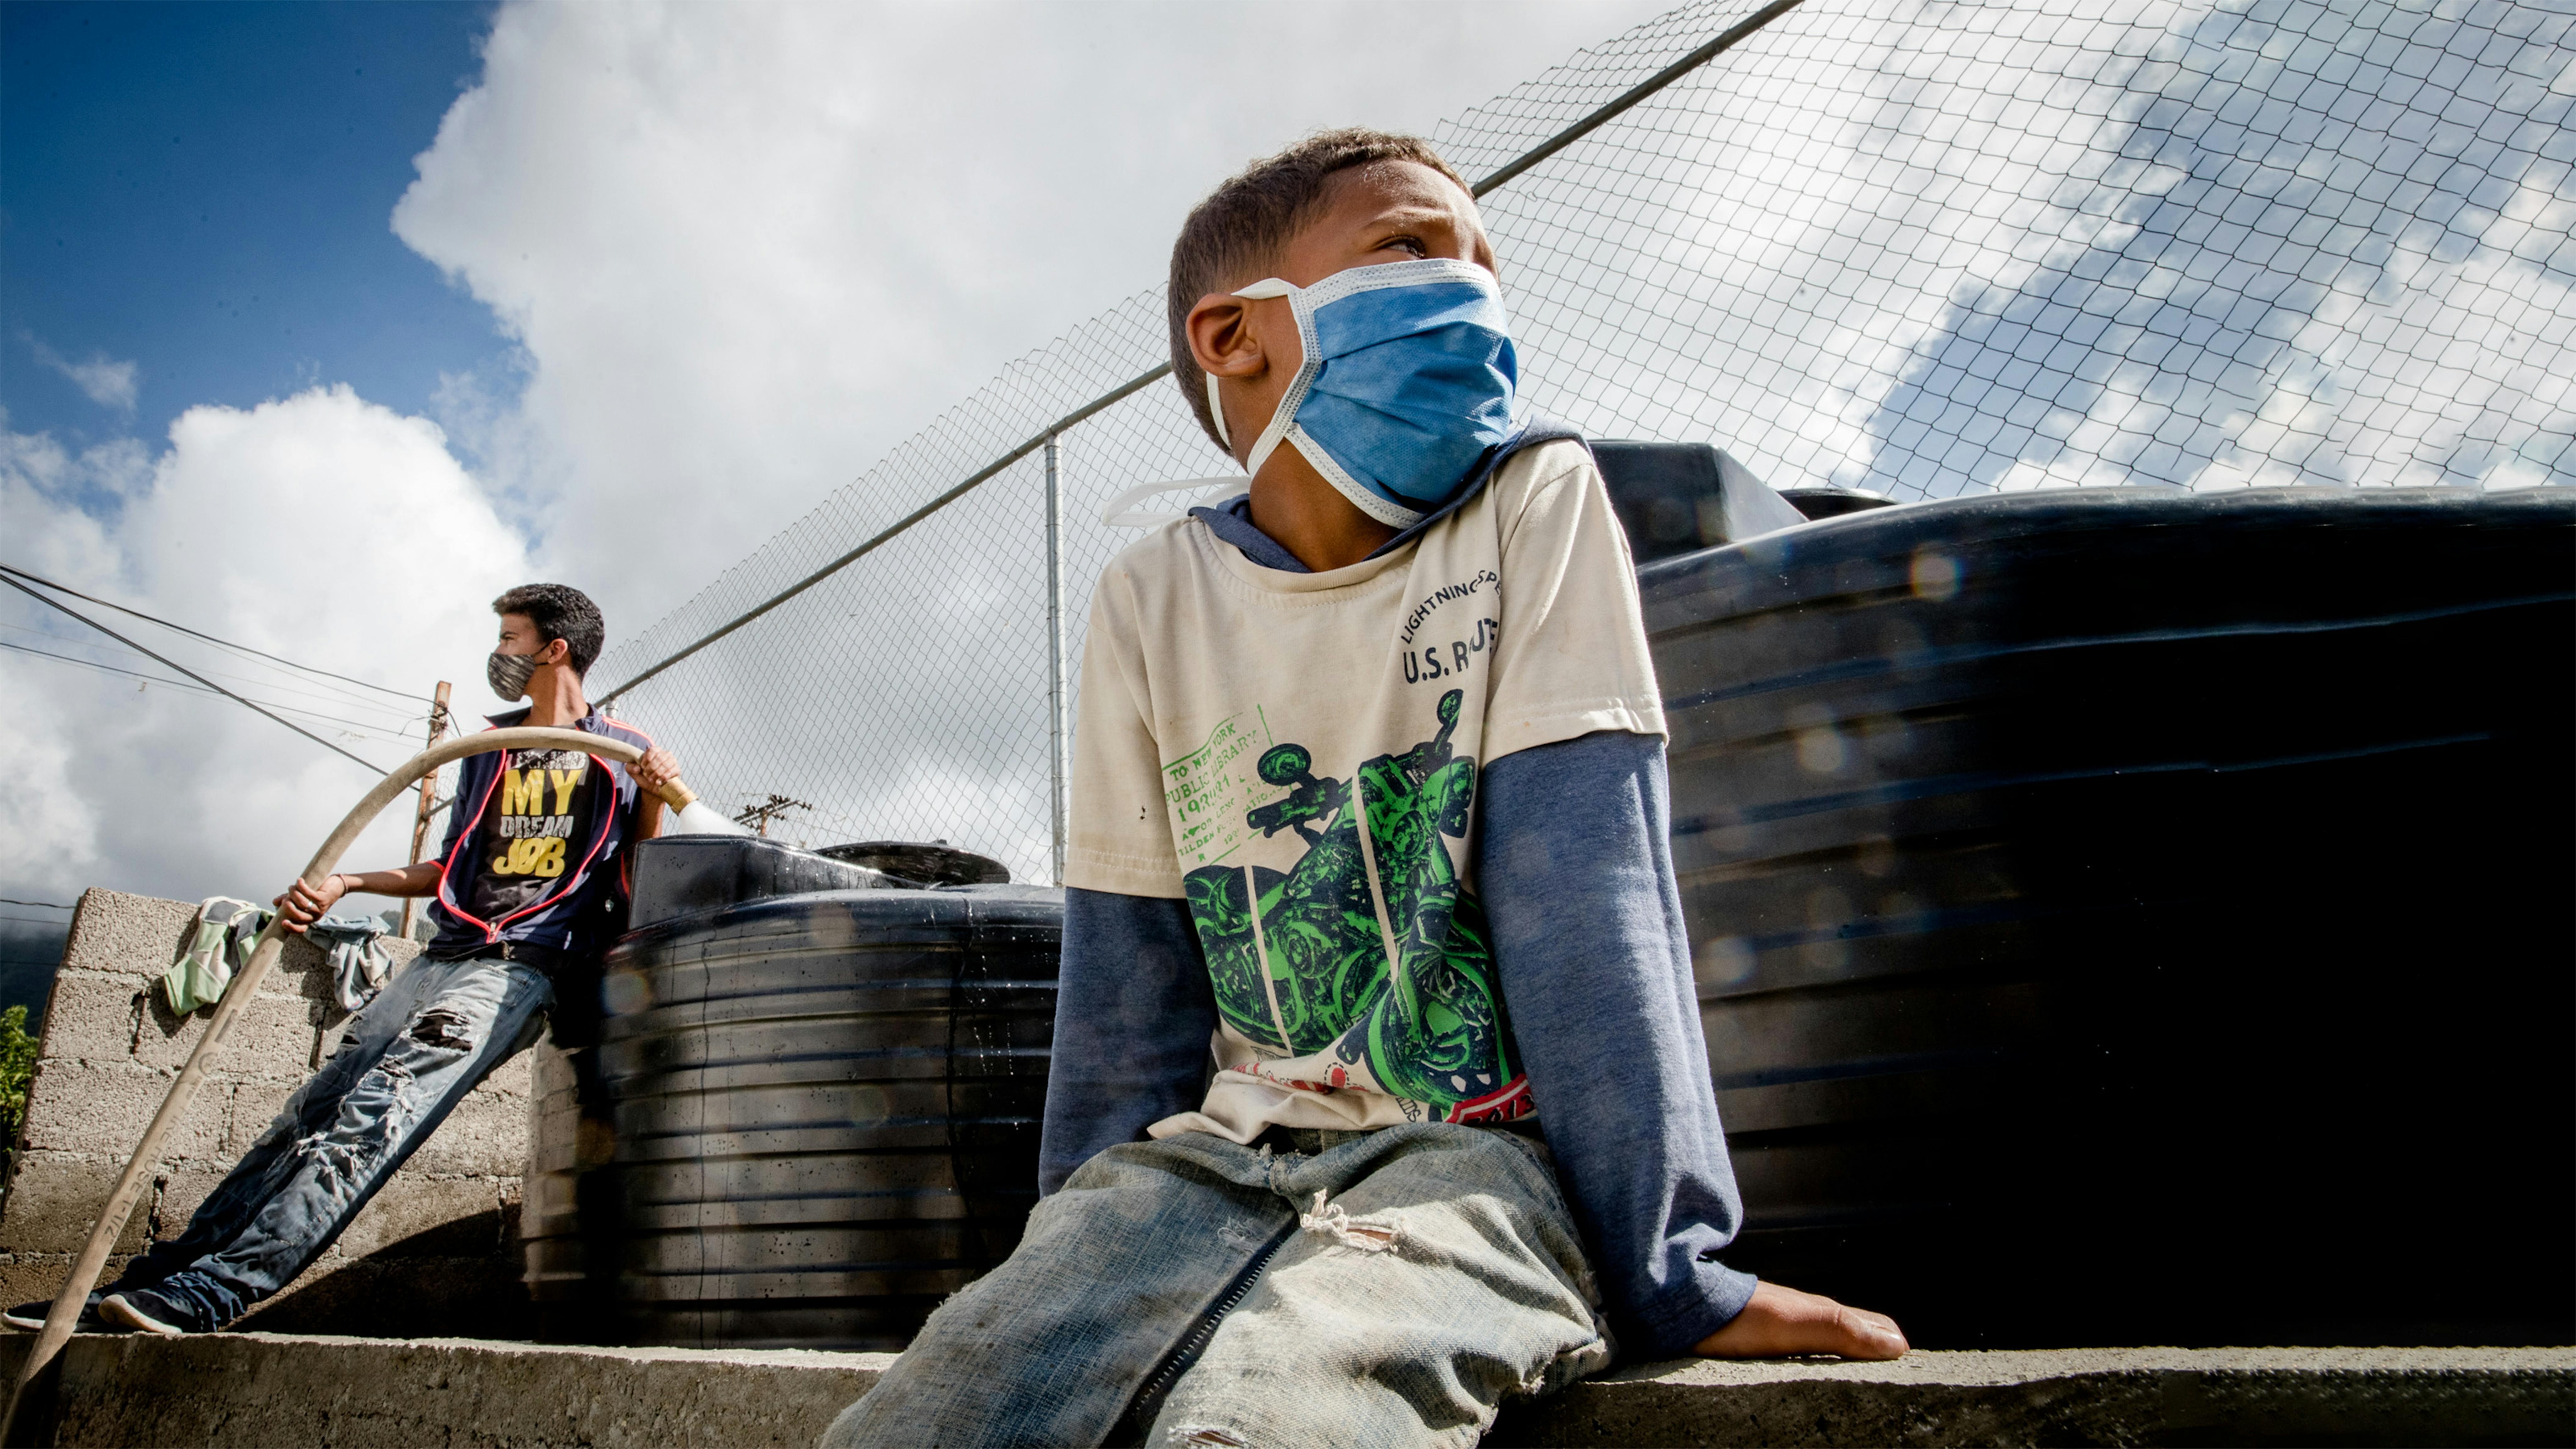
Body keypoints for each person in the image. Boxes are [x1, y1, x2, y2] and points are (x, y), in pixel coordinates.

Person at [823, 131, 1903, 1449]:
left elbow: (1589, 894)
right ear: (1234, 338)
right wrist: (1072, 1257)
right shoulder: (1150, 595)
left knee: (1258, 1424)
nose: (1470, 287)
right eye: (1410, 246)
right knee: (929, 1420)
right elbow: (1127, 979)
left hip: (1477, 1164)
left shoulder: (1530, 503)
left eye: (1482, 259)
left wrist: (1668, 1271)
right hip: (1217, 1161)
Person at [6, 583, 680, 1337]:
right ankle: (142, 1289)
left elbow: (640, 870)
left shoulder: (622, 752)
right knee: (305, 1118)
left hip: (525, 964)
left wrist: (651, 798)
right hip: (446, 952)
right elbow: (452, 865)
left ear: (554, 649)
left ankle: (212, 1293)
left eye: (511, 639)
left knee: (375, 1116)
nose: (499, 654)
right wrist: (348, 882)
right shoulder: (489, 748)